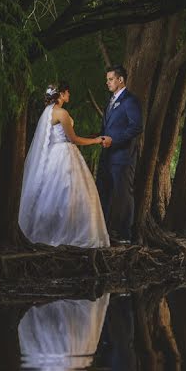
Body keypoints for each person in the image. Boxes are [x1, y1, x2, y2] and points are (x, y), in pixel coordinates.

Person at [18, 83, 111, 247]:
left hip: (52, 156)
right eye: (67, 92)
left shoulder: (48, 113)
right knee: (72, 193)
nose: (69, 95)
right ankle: (71, 232)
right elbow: (73, 139)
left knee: (52, 194)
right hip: (65, 155)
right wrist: (96, 140)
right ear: (61, 94)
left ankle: (50, 230)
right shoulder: (62, 113)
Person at [96, 65, 143, 244]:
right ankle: (103, 232)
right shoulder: (110, 101)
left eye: (110, 79)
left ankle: (125, 235)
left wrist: (113, 140)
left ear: (120, 80)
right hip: (106, 156)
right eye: (107, 79)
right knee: (103, 192)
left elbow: (136, 127)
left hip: (123, 156)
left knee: (123, 193)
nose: (107, 82)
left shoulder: (130, 101)